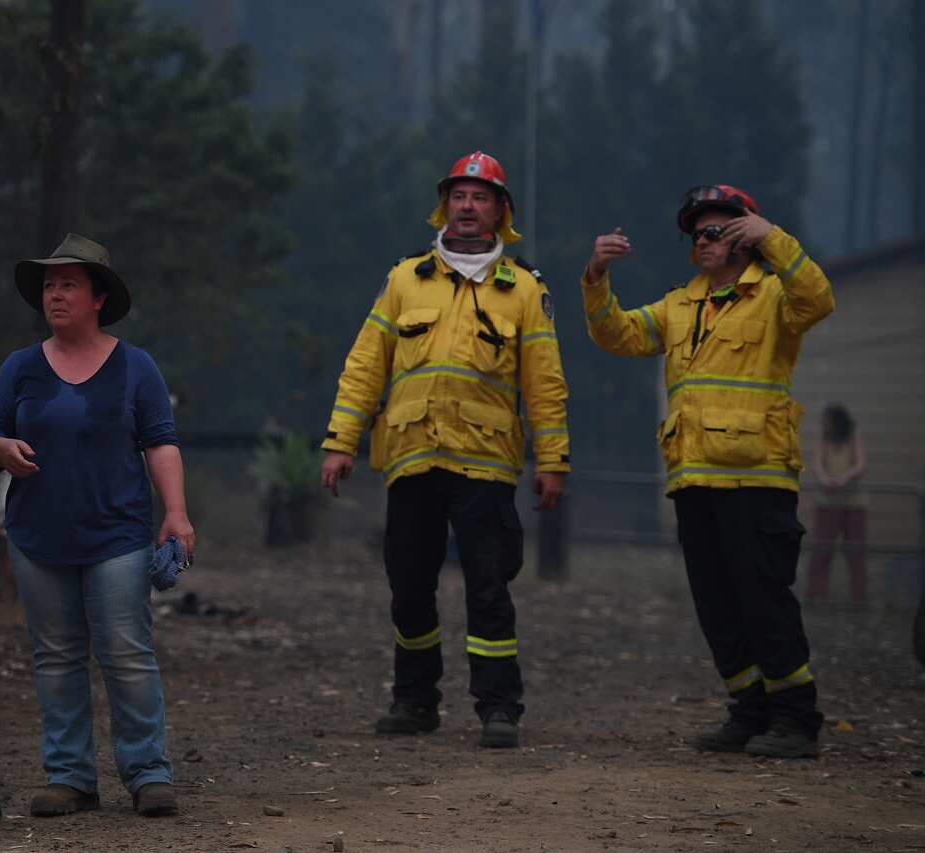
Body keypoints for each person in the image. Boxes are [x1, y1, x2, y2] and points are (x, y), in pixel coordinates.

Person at [320, 151, 570, 749]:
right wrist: (340, 440)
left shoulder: (526, 289)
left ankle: (498, 707)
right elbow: (365, 365)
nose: (466, 205)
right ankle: (414, 702)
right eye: (458, 195)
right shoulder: (405, 278)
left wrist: (553, 460)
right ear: (444, 205)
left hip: (485, 464)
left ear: (500, 212)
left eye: (480, 197)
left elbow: (545, 381)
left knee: (488, 587)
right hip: (410, 457)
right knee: (408, 585)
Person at [581, 184, 835, 759]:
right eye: (697, 233)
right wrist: (596, 276)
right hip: (693, 480)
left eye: (716, 230)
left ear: (745, 235)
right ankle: (749, 711)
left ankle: (797, 719)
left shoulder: (775, 297)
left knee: (764, 600)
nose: (703, 240)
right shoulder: (679, 305)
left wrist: (775, 237)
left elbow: (819, 300)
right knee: (717, 605)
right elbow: (616, 335)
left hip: (758, 478)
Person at [0, 234, 194, 818]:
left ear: (99, 297)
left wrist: (175, 513)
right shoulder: (20, 367)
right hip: (37, 537)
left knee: (125, 652)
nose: (55, 294)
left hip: (117, 536)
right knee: (56, 657)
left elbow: (161, 444)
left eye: (68, 284)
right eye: (49, 285)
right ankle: (69, 777)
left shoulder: (136, 367)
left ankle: (149, 773)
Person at [805, 404, 868, 602]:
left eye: (828, 420)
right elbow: (817, 463)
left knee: (855, 552)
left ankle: (859, 598)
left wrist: (844, 478)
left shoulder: (853, 434)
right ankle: (816, 596)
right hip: (827, 501)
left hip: (854, 502)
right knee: (821, 550)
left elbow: (860, 464)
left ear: (838, 421)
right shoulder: (823, 435)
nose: (825, 424)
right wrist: (825, 479)